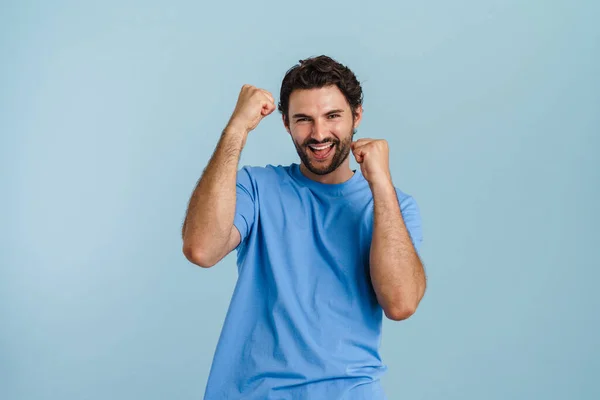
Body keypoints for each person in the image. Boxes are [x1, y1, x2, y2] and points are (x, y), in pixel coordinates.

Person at [181, 55, 426, 400]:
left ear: (357, 115)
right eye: (303, 120)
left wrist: (381, 185)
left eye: (332, 116)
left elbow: (400, 304)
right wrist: (236, 128)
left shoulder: (392, 207)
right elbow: (201, 249)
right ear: (285, 123)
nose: (319, 134)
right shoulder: (257, 187)